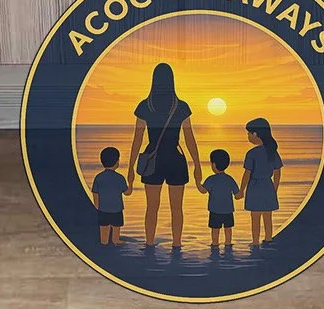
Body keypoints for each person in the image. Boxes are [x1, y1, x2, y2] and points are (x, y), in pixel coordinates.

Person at [125, 61, 202, 250]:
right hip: (176, 159)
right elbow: (189, 139)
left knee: (152, 207)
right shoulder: (181, 107)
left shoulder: (145, 106)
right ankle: (177, 244)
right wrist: (197, 165)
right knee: (177, 208)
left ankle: (149, 243)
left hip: (153, 160)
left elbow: (137, 140)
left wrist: (131, 167)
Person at [241, 117, 282, 245]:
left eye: (249, 133)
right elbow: (277, 172)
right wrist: (274, 189)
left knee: (255, 216)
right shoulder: (272, 151)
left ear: (255, 134)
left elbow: (247, 174)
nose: (248, 136)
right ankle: (268, 238)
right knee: (268, 216)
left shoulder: (252, 153)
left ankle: (255, 241)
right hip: (268, 186)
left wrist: (241, 190)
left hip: (255, 187)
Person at [200, 149, 239, 251]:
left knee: (215, 229)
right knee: (228, 229)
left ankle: (215, 244)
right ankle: (228, 244)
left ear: (213, 164)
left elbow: (203, 190)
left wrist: (197, 182)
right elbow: (237, 194)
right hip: (228, 210)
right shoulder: (229, 179)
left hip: (215, 210)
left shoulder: (211, 179)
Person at [91, 145, 128, 246]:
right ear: (117, 162)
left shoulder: (98, 177)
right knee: (116, 233)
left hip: (103, 210)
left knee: (103, 235)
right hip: (117, 210)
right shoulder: (120, 178)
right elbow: (126, 192)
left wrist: (98, 206)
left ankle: (104, 242)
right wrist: (131, 183)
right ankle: (116, 240)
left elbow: (95, 193)